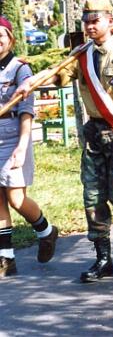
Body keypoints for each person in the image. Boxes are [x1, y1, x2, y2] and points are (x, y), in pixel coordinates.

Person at [17, 0, 113, 283]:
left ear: (110, 19)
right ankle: (103, 259)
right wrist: (29, 82)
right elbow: (58, 74)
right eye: (87, 21)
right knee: (92, 197)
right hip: (94, 134)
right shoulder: (81, 54)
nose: (90, 26)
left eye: (96, 20)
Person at [0, 17, 58, 278]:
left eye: (1, 35)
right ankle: (6, 258)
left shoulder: (20, 70)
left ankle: (46, 231)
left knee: (15, 198)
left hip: (14, 136)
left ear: (10, 38)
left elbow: (26, 111)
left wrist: (22, 146)